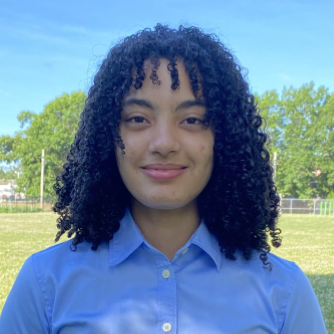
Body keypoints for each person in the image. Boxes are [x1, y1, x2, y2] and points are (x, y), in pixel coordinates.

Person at [0, 24, 327, 333]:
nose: (164, 143)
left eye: (193, 119)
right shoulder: (45, 284)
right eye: (138, 118)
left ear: (223, 137)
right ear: (107, 136)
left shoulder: (285, 291)